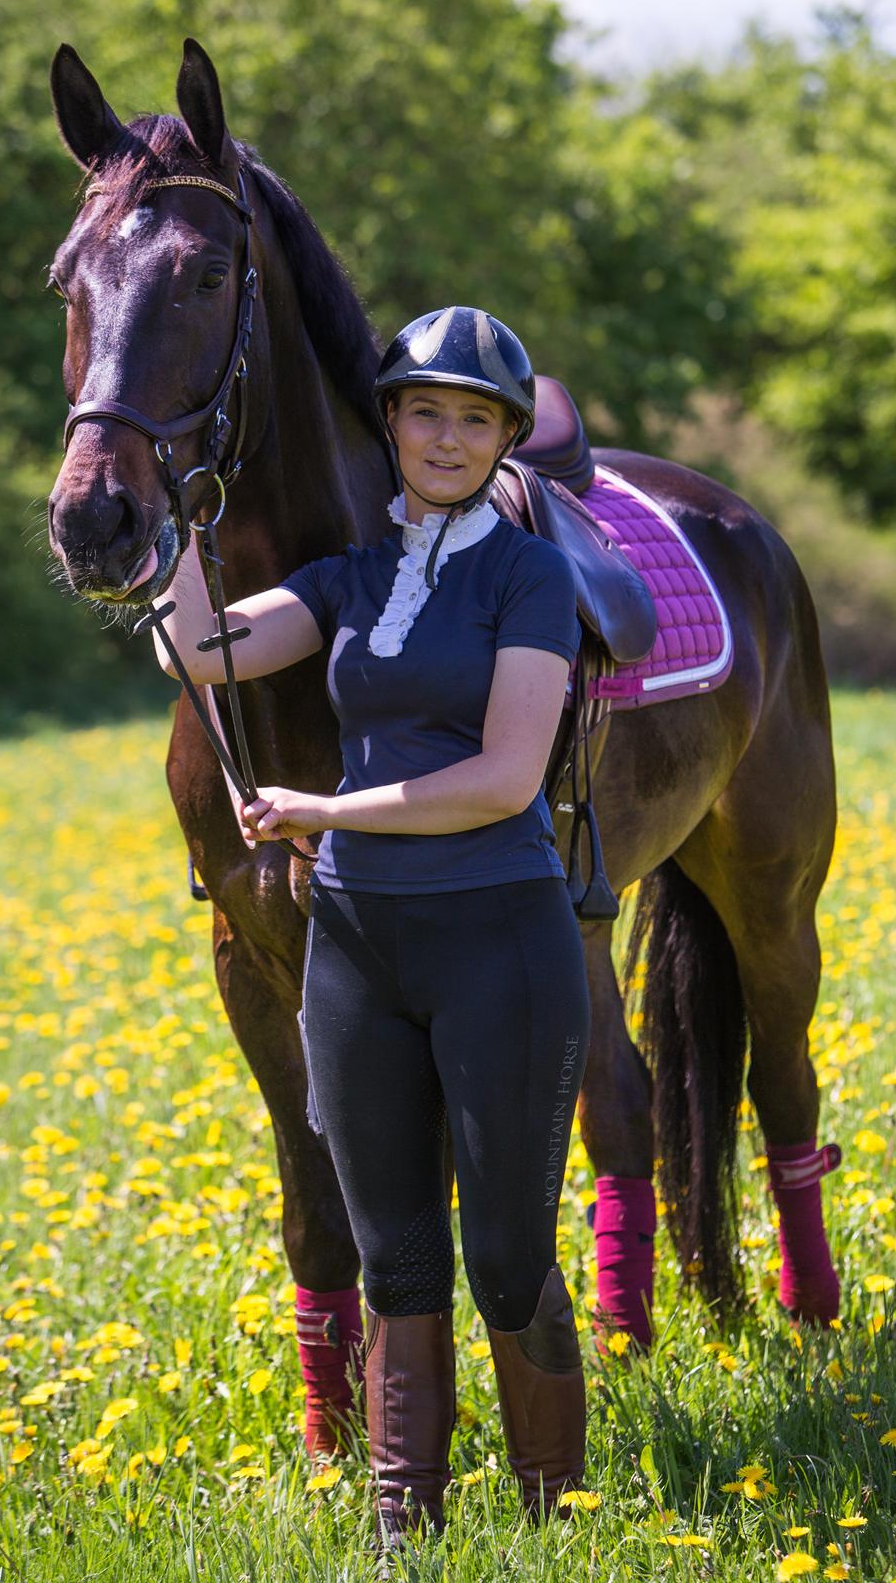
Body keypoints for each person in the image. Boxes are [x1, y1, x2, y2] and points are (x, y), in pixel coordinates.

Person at [152, 306, 592, 1545]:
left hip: (496, 937)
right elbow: (200, 649)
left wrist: (322, 806)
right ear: (388, 421)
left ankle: (552, 1520)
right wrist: (170, 517)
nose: (444, 437)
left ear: (505, 436)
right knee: (393, 1254)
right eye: (422, 410)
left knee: (505, 1253)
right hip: (354, 950)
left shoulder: (529, 575)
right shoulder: (346, 575)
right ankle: (406, 1528)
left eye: (473, 418)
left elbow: (507, 777)